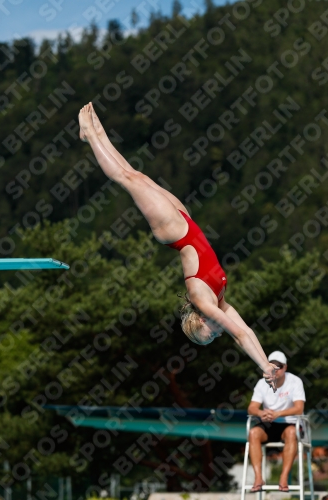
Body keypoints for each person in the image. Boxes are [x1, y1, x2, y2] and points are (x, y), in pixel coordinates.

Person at [78, 102, 277, 388]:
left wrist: (263, 366)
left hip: (175, 232)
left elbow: (238, 335)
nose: (217, 334)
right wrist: (266, 364)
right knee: (136, 176)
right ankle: (95, 132)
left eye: (210, 334)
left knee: (129, 179)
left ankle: (92, 135)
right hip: (185, 223)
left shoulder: (203, 302)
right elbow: (245, 330)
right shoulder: (219, 301)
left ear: (200, 321)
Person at [247, 351, 306, 493]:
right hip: (269, 424)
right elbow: (251, 408)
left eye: (278, 366)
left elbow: (299, 408)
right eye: (271, 366)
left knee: (292, 432)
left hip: (290, 424)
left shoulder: (295, 381)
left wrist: (278, 413)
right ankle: (258, 478)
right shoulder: (262, 383)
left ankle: (283, 477)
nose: (275, 369)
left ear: (285, 367)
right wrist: (261, 413)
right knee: (253, 432)